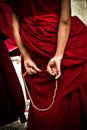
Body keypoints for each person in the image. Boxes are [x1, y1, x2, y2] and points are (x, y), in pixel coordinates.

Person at [9, 0, 87, 129]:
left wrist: (26, 56)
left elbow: (14, 24)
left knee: (44, 96)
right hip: (59, 39)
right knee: (68, 90)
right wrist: (58, 55)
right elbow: (65, 21)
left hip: (33, 43)